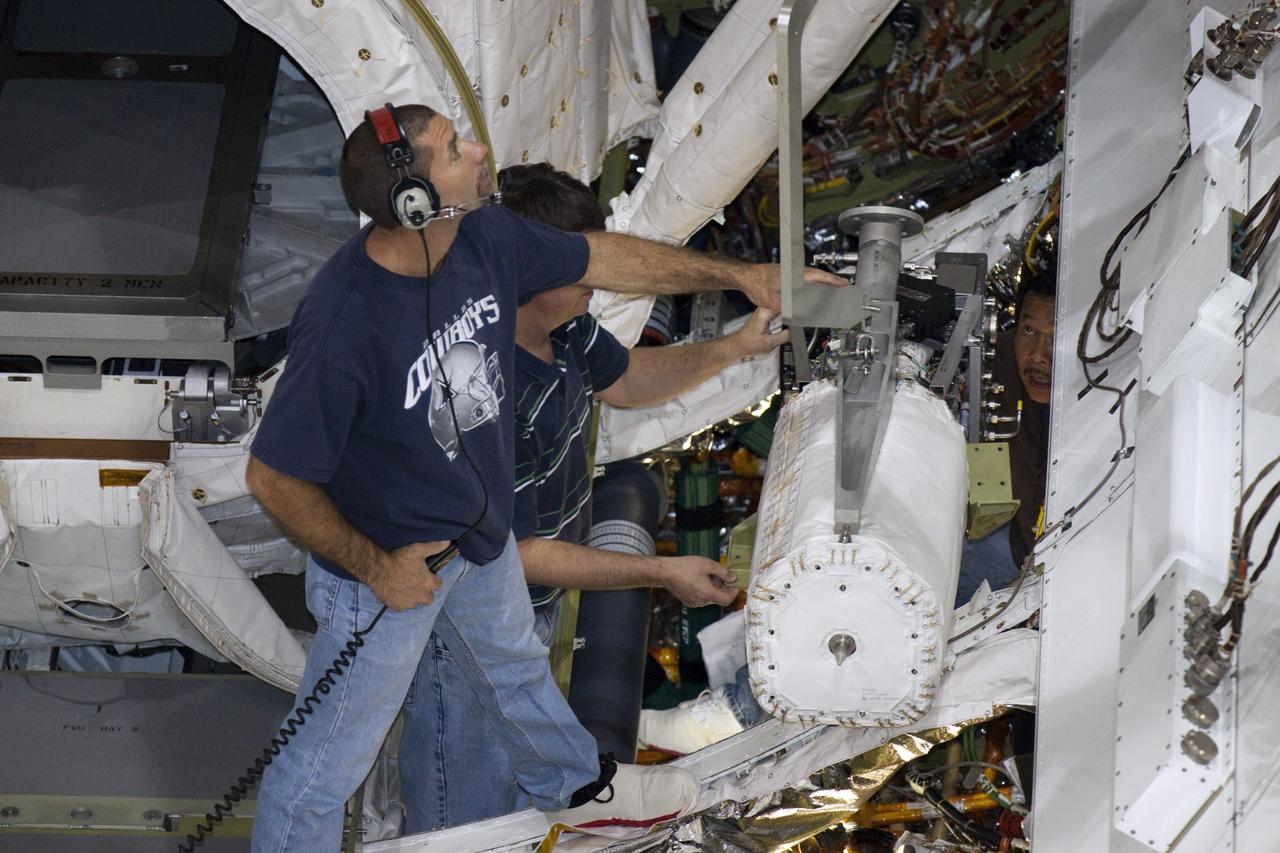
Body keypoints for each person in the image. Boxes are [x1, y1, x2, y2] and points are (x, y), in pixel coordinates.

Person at [245, 103, 844, 852]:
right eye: (455, 148)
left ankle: (578, 786)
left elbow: (601, 256)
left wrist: (743, 276)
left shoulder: (486, 236)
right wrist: (376, 567)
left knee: (518, 675)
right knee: (324, 767)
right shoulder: (344, 323)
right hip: (389, 570)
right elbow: (274, 476)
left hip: (478, 538)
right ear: (414, 201)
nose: (480, 151)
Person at [398, 162, 787, 832]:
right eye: (581, 273)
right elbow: (519, 554)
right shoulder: (482, 392)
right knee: (465, 827)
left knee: (518, 809)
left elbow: (627, 378)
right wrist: (660, 573)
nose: (595, 286)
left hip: (528, 618)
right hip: (465, 643)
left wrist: (731, 349)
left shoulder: (564, 328)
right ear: (527, 271)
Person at [955, 255, 1056, 603]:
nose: (1039, 355)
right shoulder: (997, 362)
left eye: (1055, 337)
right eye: (1030, 331)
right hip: (1008, 543)